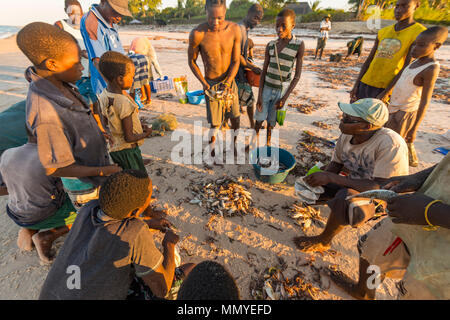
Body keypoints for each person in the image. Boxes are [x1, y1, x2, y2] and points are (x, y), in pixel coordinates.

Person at [39, 170, 193, 300]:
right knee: (190, 269)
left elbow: (111, 227)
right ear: (134, 213)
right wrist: (169, 245)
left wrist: (149, 224)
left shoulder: (88, 208)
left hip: (53, 294)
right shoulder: (135, 231)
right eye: (148, 200)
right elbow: (161, 289)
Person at [16, 22, 121, 208]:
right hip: (84, 185)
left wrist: (97, 132)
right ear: (52, 64)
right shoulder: (45, 113)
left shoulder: (59, 81)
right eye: (77, 62)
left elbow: (77, 120)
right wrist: (104, 171)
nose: (82, 68)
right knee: (95, 219)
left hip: (95, 168)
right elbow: (56, 167)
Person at [293, 98, 409, 253]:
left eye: (349, 119)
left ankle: (324, 240)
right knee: (308, 184)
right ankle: (337, 209)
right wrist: (320, 178)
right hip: (353, 182)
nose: (343, 120)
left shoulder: (390, 145)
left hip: (380, 198)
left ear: (367, 126)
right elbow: (336, 163)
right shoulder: (348, 134)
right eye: (344, 115)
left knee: (346, 198)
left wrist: (331, 178)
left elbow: (382, 188)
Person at [328, 154, 450, 300]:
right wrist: (417, 178)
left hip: (442, 256)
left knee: (416, 291)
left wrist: (431, 212)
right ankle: (363, 292)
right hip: (412, 218)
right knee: (373, 248)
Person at [0, 140, 77, 264]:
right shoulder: (52, 158)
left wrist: (22, 188)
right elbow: (73, 184)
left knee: (33, 198)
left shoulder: (9, 154)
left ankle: (29, 229)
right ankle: (48, 236)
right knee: (84, 213)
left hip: (17, 213)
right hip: (43, 214)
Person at [385, 26, 447, 167]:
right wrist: (386, 93)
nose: (414, 48)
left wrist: (414, 129)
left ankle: (391, 172)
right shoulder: (415, 61)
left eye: (421, 45)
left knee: (395, 146)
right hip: (394, 107)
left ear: (436, 46)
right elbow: (401, 79)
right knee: (387, 140)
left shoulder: (431, 68)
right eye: (414, 44)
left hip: (406, 113)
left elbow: (425, 101)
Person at [188, 0, 242, 157]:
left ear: (225, 12)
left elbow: (236, 60)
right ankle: (212, 149)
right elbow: (191, 61)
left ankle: (233, 144)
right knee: (215, 123)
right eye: (211, 17)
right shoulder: (198, 34)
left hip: (229, 81)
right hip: (211, 84)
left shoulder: (234, 30)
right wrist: (204, 83)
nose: (215, 22)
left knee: (236, 117)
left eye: (220, 17)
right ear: (206, 11)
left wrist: (227, 82)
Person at [350, 0, 426, 103]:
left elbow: (407, 67)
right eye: (397, 6)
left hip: (387, 86)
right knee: (353, 117)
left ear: (416, 6)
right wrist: (356, 85)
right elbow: (369, 60)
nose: (398, 10)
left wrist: (387, 92)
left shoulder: (419, 33)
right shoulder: (383, 31)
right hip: (366, 82)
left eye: (404, 6)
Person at [254, 8, 305, 146]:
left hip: (281, 91)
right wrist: (259, 96)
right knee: (259, 118)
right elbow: (264, 71)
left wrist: (284, 98)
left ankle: (268, 143)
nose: (279, 29)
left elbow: (297, 76)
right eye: (277, 25)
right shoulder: (271, 45)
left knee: (272, 120)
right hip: (266, 89)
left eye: (284, 26)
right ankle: (254, 139)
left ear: (292, 26)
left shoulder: (298, 45)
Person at [98, 51, 152, 172]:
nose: (133, 80)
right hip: (128, 150)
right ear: (120, 79)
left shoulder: (103, 95)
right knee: (137, 178)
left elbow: (105, 123)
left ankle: (138, 162)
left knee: (126, 171)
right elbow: (129, 138)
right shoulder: (123, 102)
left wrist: (112, 134)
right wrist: (146, 134)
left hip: (115, 149)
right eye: (132, 76)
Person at [80, 0, 132, 97]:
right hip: (110, 88)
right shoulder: (91, 21)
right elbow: (97, 61)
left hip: (120, 84)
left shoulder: (111, 19)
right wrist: (120, 91)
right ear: (103, 2)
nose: (119, 18)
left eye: (121, 14)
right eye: (116, 11)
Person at [235, 3, 264, 129]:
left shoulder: (244, 29)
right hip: (236, 73)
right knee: (250, 101)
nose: (257, 22)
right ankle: (252, 125)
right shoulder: (240, 29)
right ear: (248, 14)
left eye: (259, 19)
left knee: (235, 101)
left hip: (240, 71)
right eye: (255, 18)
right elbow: (237, 56)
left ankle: (226, 123)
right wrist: (253, 68)